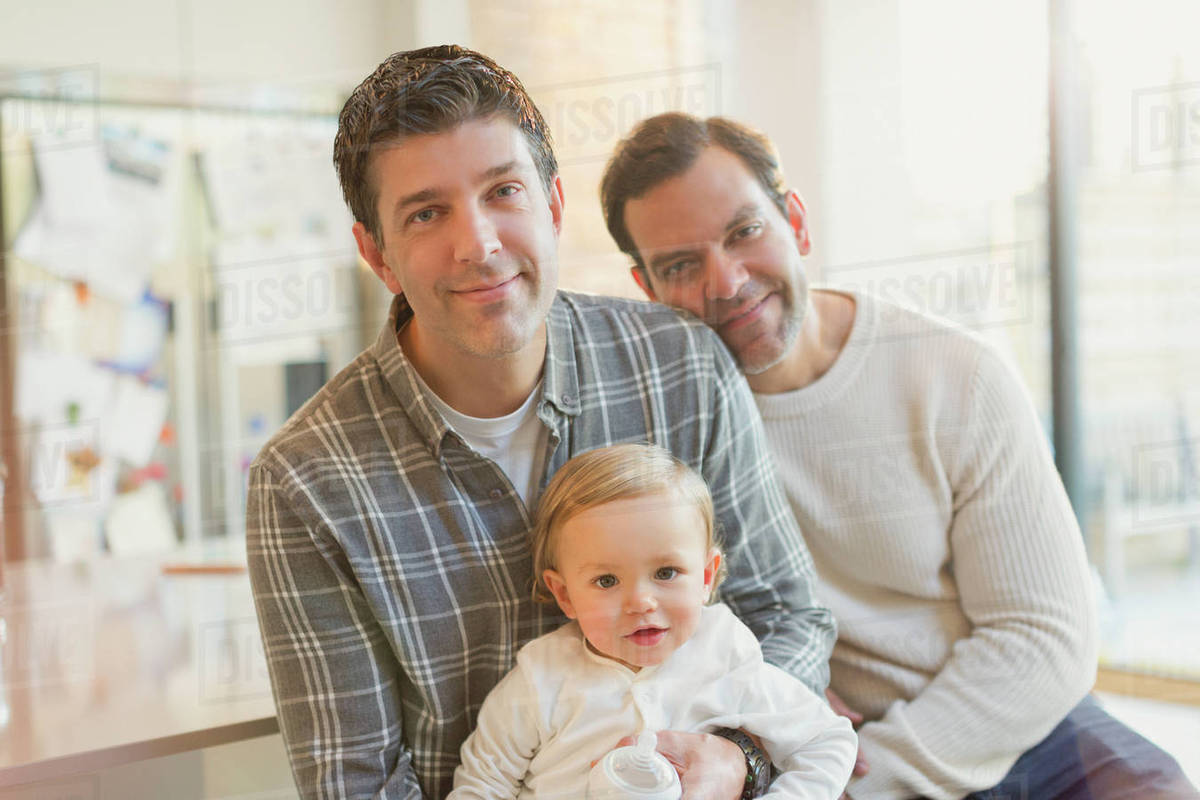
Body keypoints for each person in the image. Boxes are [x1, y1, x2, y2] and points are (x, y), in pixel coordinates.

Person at [247, 48, 834, 800]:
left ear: (552, 206)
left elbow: (788, 614)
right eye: (426, 213)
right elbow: (354, 785)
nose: (481, 245)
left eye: (504, 192)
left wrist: (740, 758)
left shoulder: (682, 366)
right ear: (377, 254)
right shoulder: (304, 484)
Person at [600, 112, 1200, 800]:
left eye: (745, 232)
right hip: (811, 741)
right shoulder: (660, 433)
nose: (728, 281)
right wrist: (776, 715)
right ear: (647, 290)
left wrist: (861, 777)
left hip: (1008, 724)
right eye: (681, 264)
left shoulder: (955, 376)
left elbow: (1045, 638)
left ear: (795, 221)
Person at [449, 443, 857, 799]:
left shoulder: (724, 653)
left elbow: (826, 740)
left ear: (705, 578)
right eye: (606, 580)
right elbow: (482, 786)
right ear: (565, 595)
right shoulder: (541, 678)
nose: (641, 602)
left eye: (665, 573)